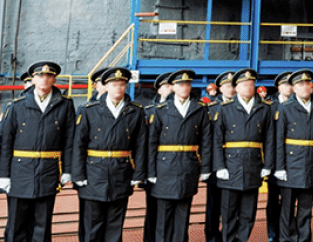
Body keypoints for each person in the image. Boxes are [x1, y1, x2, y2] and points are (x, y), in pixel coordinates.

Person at [0, 61, 75, 242]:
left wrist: (67, 170)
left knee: (42, 223)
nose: (44, 79)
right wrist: (4, 175)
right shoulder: (16, 106)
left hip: (48, 171)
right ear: (33, 79)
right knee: (16, 223)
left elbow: (69, 140)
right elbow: (5, 143)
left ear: (54, 79)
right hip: (20, 171)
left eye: (49, 76)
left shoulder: (65, 106)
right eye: (40, 76)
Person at [73, 67, 147, 242]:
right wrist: (78, 174)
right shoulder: (89, 110)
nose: (119, 88)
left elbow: (141, 144)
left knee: (115, 225)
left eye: (122, 85)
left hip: (121, 172)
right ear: (106, 86)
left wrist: (138, 174)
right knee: (92, 225)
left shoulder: (135, 111)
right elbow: (78, 144)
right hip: (93, 173)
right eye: (114, 85)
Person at [148, 69, 213, 242]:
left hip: (188, 166)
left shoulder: (199, 109)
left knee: (183, 215)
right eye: (180, 84)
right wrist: (150, 172)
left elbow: (206, 141)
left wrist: (205, 168)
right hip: (164, 167)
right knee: (163, 216)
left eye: (187, 84)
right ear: (172, 88)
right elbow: (151, 143)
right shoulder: (161, 110)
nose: (185, 87)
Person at [213, 68, 274, 242]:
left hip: (253, 166)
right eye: (244, 84)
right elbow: (217, 141)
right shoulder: (225, 109)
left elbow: (269, 140)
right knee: (229, 212)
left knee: (249, 212)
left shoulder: (264, 109)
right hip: (230, 167)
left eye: (251, 84)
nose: (249, 87)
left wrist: (268, 165)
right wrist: (219, 166)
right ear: (236, 88)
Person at [274, 69, 313, 242]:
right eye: (300, 84)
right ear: (294, 88)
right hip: (290, 165)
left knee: (306, 208)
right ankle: (287, 239)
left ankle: (304, 239)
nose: (304, 87)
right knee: (287, 209)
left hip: (311, 164)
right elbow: (278, 140)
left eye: (307, 83)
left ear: (312, 87)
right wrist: (279, 167)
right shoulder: (285, 108)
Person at [143, 72, 174, 242]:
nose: (170, 89)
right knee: (153, 209)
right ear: (159, 90)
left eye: (172, 86)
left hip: (172, 167)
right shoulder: (148, 111)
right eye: (167, 86)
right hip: (153, 167)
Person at [206, 71, 235, 242]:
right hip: (216, 163)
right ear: (220, 89)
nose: (230, 89)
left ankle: (229, 236)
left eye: (232, 86)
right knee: (213, 204)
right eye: (226, 86)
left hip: (236, 163)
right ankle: (212, 237)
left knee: (233, 205)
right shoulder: (211, 108)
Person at [268, 72, 295, 242]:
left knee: (289, 200)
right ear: (279, 87)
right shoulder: (270, 106)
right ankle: (273, 233)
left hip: (291, 160)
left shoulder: (295, 105)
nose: (289, 87)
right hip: (273, 159)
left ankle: (287, 233)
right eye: (285, 84)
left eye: (291, 84)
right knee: (272, 199)